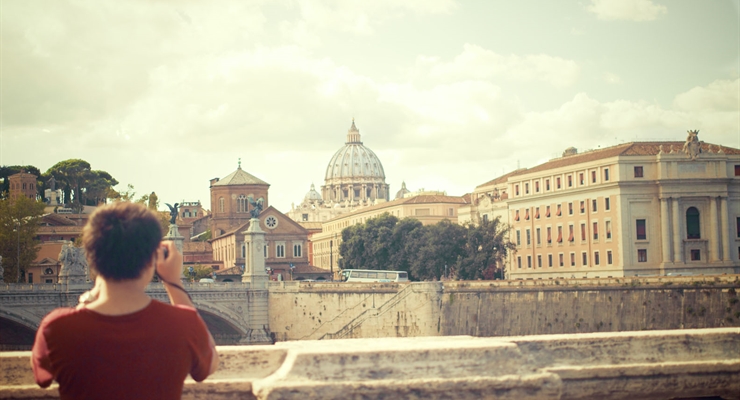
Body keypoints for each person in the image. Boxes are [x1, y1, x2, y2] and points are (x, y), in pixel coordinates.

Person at [31, 202, 219, 399]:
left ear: (90, 257)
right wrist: (173, 282)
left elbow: (41, 377)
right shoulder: (183, 323)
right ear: (152, 259)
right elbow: (209, 364)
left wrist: (88, 298)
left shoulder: (57, 326)